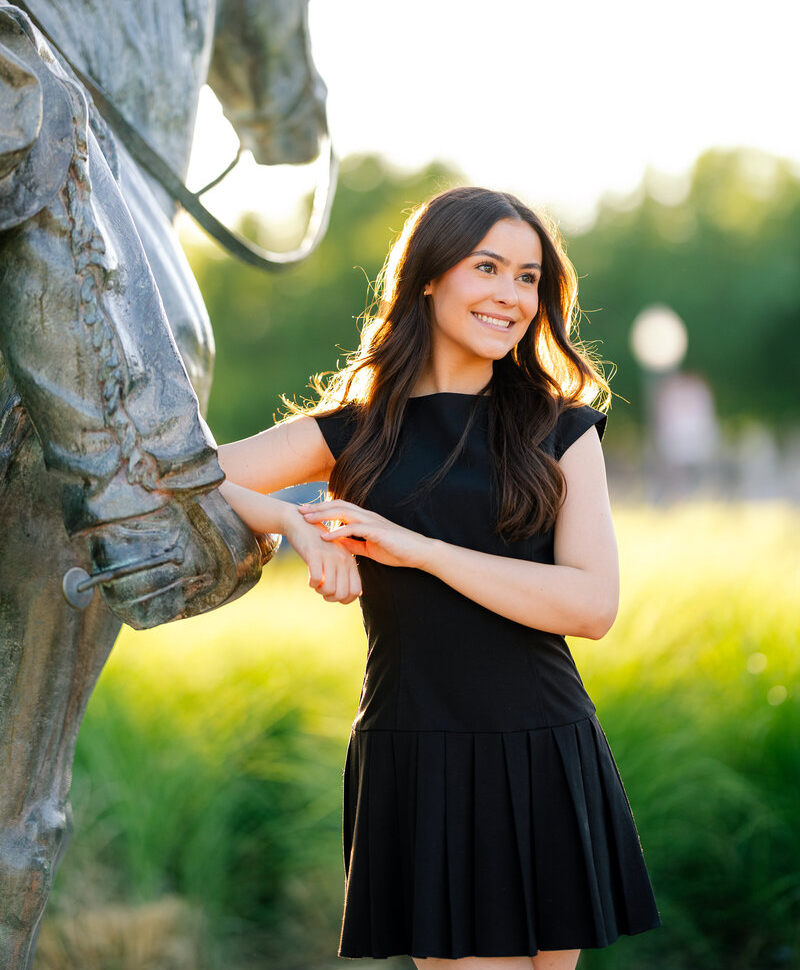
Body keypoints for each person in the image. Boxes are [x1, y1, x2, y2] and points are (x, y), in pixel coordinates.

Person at [216, 186, 661, 970]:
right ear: (429, 275)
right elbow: (176, 478)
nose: (511, 295)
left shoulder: (557, 425)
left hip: (545, 744)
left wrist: (415, 548)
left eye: (529, 278)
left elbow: (591, 606)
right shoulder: (355, 431)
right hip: (421, 751)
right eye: (488, 266)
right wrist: (288, 519)